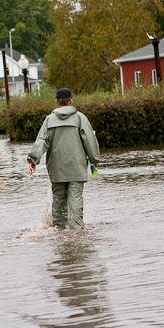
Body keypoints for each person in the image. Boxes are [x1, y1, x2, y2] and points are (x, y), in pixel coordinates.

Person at [27, 88, 101, 230]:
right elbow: (90, 141)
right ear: (71, 101)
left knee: (58, 201)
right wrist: (94, 160)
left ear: (56, 102)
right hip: (77, 167)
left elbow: (42, 141)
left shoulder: (49, 119)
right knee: (75, 200)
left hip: (56, 169)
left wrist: (33, 160)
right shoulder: (80, 118)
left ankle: (60, 233)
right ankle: (77, 233)